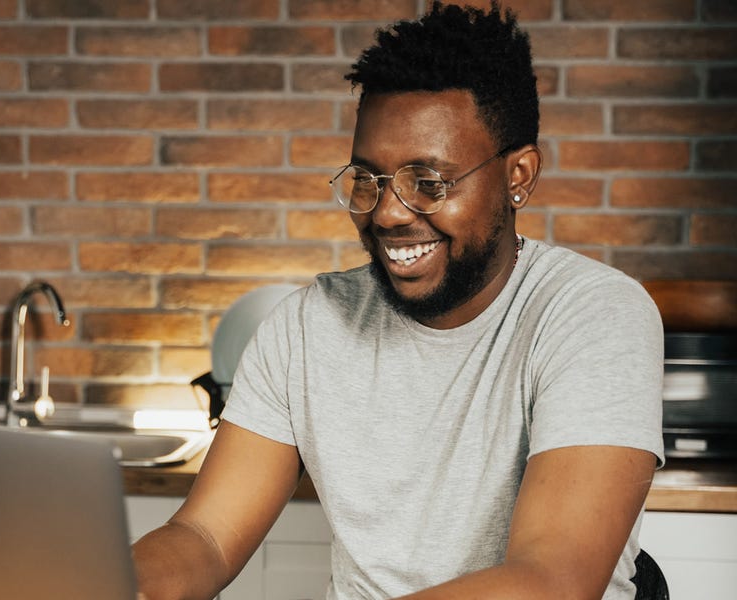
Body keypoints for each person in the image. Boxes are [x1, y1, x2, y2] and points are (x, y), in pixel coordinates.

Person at [132, 2, 665, 599]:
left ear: (519, 176)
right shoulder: (307, 327)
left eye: (428, 183)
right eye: (370, 180)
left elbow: (550, 583)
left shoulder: (593, 315)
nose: (387, 212)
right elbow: (204, 535)